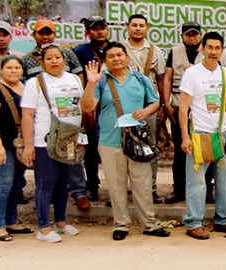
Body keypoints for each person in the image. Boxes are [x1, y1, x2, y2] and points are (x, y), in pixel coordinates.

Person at [80, 42, 170, 240]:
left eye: (119, 55)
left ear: (127, 57)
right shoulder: (100, 82)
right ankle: (121, 224)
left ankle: (150, 223)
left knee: (143, 185)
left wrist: (145, 112)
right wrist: (91, 83)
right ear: (105, 61)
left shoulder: (141, 78)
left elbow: (155, 101)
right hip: (110, 142)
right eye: (111, 56)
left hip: (138, 141)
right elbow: (87, 107)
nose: (116, 59)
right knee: (116, 186)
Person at [177, 31, 226, 239]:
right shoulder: (192, 74)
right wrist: (185, 137)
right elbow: (183, 107)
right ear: (202, 49)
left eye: (217, 48)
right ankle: (194, 221)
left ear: (222, 50)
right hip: (200, 135)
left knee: (224, 180)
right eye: (210, 48)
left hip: (222, 134)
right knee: (197, 181)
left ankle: (222, 218)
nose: (213, 52)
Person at [20, 44, 84, 243]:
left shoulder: (74, 79)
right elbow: (27, 115)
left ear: (64, 59)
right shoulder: (35, 83)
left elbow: (81, 107)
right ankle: (43, 227)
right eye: (49, 58)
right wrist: (29, 145)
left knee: (64, 183)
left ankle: (61, 222)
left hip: (70, 140)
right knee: (45, 183)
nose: (54, 61)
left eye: (58, 57)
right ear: (42, 61)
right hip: (44, 140)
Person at [0, 54, 32, 242]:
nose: (13, 71)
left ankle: (10, 221)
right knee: (3, 184)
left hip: (19, 144)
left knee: (16, 184)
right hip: (1, 146)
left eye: (17, 68)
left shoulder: (25, 88)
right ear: (1, 70)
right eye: (9, 68)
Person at [160, 21, 203, 205]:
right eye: (188, 34)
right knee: (180, 150)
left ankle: (205, 189)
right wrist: (166, 103)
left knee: (204, 150)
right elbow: (167, 77)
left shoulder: (208, 50)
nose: (191, 37)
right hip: (179, 107)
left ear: (200, 35)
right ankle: (179, 189)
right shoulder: (174, 51)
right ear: (182, 36)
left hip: (202, 110)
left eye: (195, 34)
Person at [123, 14, 165, 203]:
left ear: (147, 29)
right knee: (123, 148)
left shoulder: (154, 51)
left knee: (150, 147)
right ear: (127, 28)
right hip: (124, 107)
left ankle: (152, 189)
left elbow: (162, 79)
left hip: (150, 105)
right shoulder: (120, 50)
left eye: (141, 25)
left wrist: (163, 105)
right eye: (134, 25)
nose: (138, 28)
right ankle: (124, 190)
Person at [72, 16, 109, 203]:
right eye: (95, 29)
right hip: (90, 104)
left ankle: (117, 189)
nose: (100, 31)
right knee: (91, 147)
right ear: (88, 32)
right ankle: (92, 186)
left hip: (111, 102)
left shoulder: (114, 50)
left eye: (103, 28)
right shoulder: (79, 52)